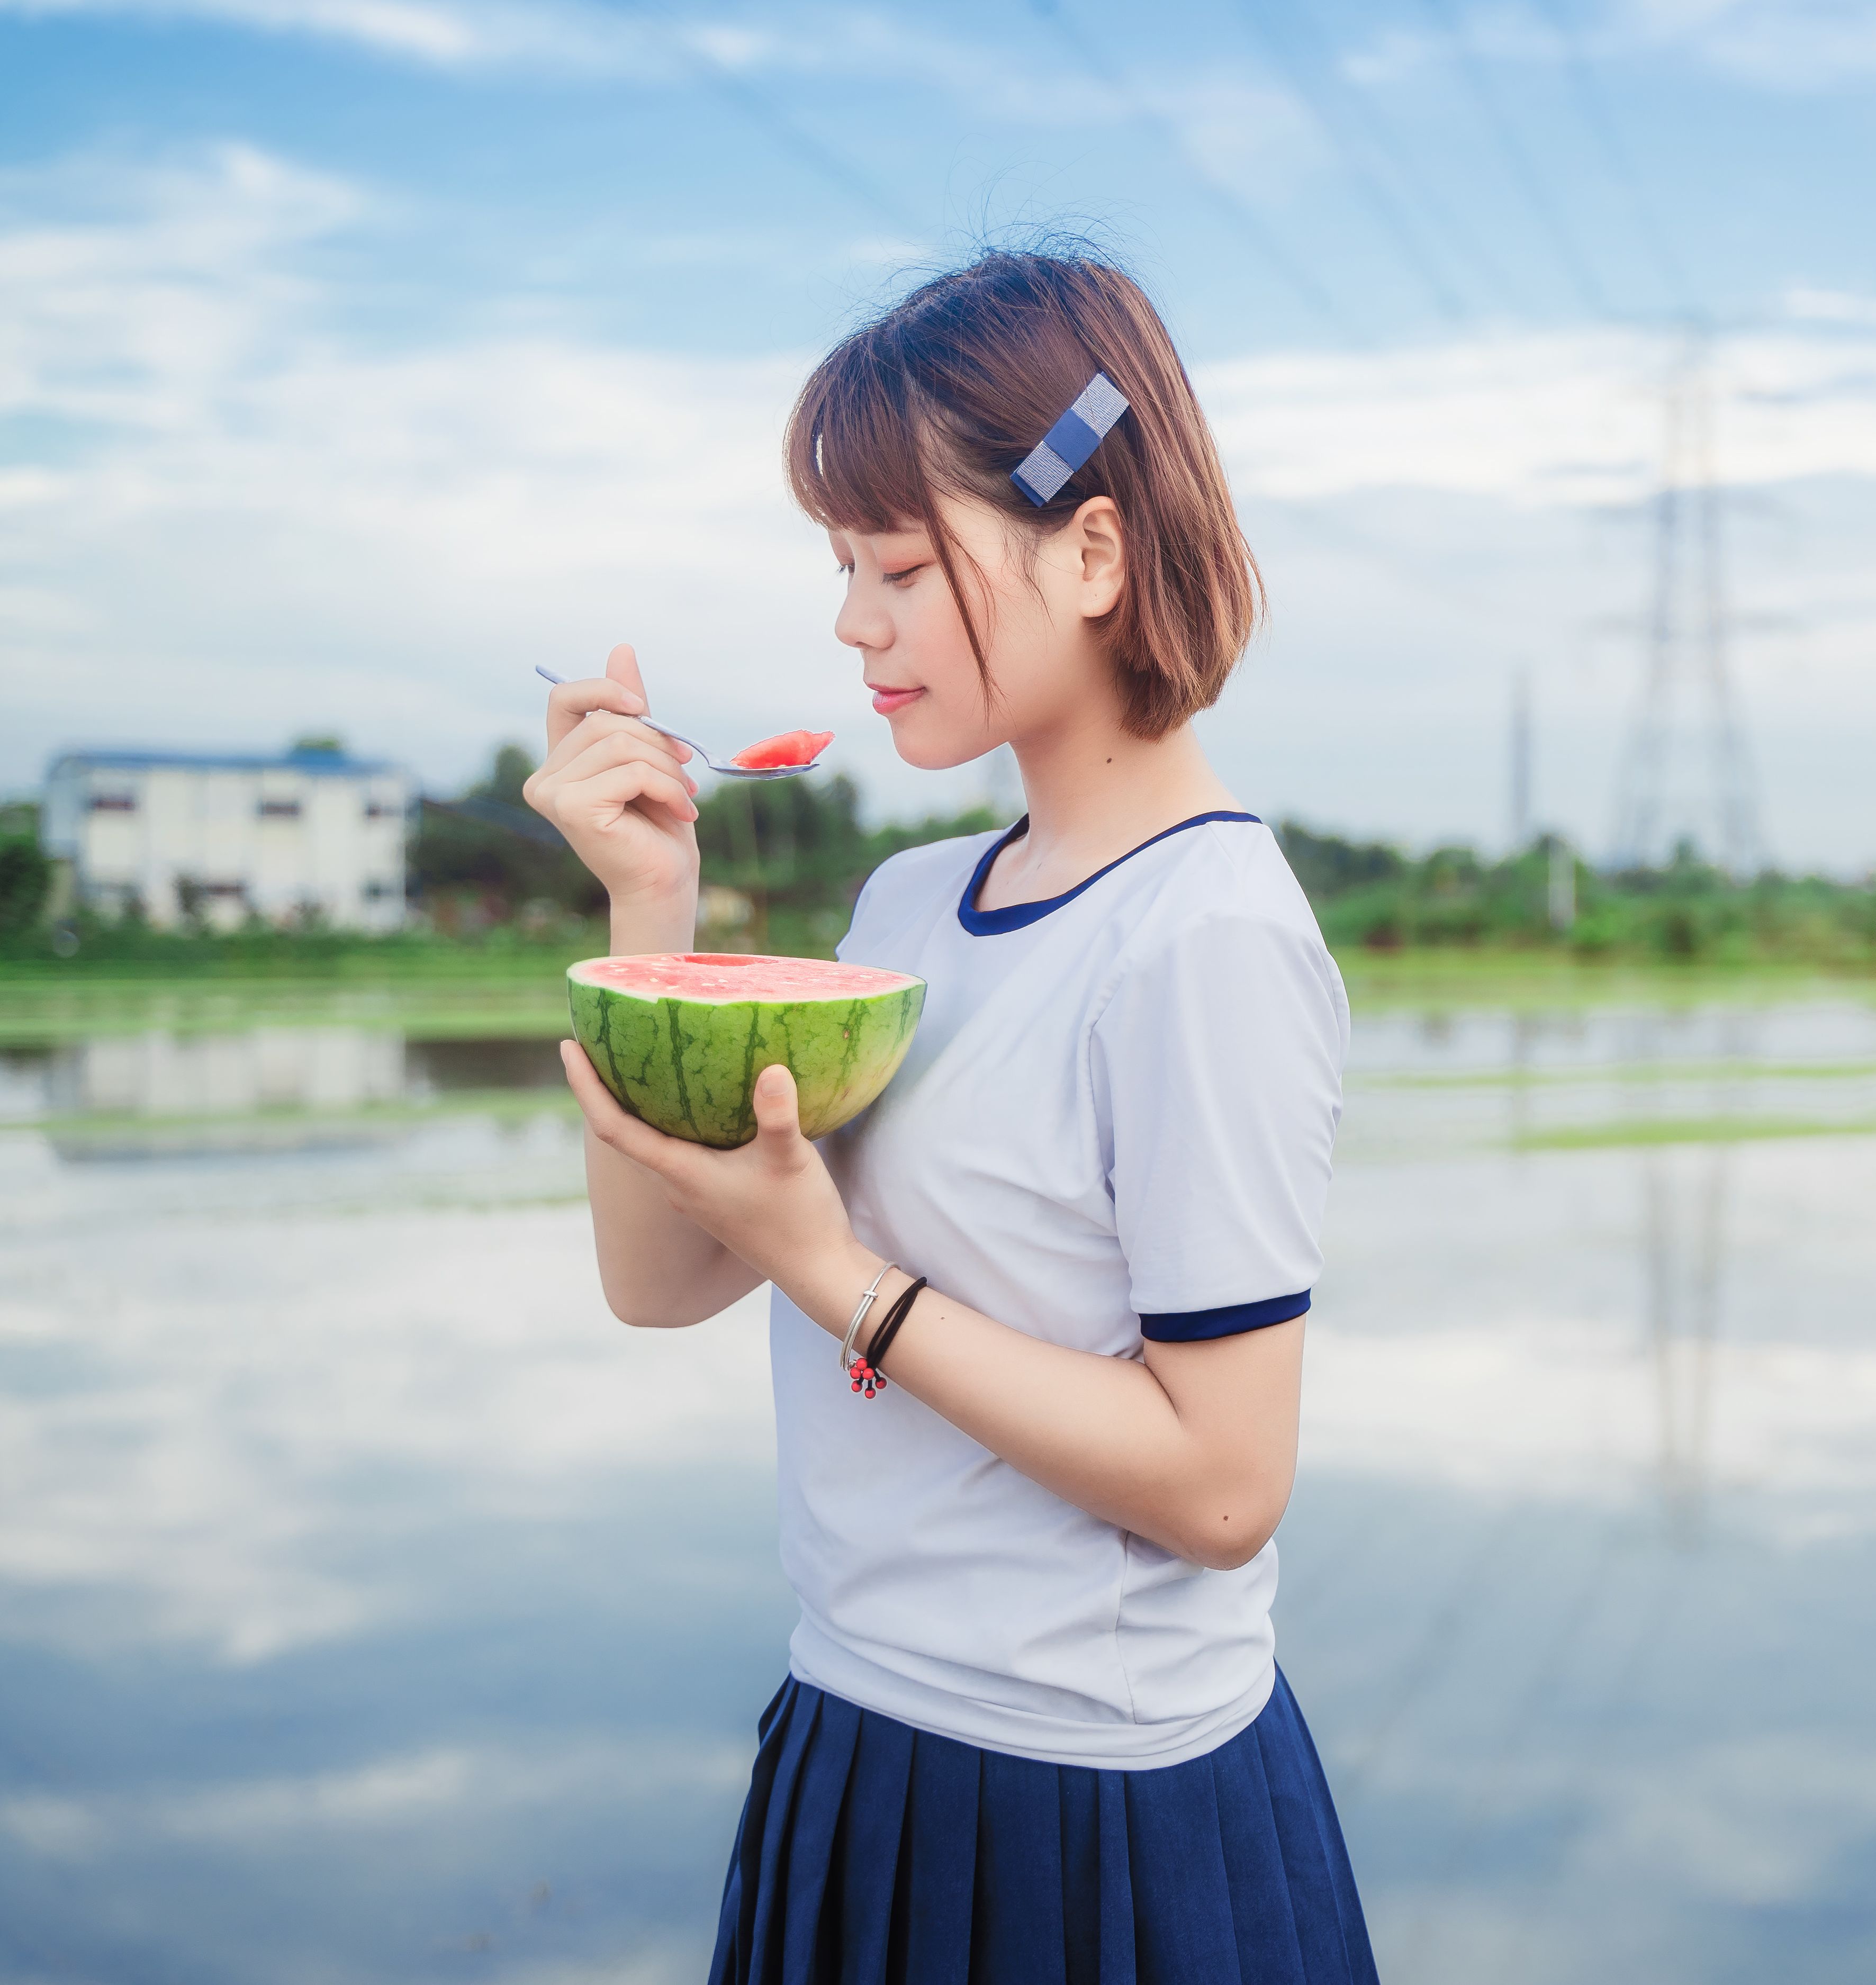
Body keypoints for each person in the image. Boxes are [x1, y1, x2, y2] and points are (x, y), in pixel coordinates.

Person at [522, 247, 1376, 1984]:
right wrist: (648, 918)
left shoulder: (1203, 932)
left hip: (1097, 1811)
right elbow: (663, 1283)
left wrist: (838, 1278)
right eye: (843, 567)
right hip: (856, 1737)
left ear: (1094, 548)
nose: (854, 623)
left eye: (899, 565)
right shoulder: (911, 912)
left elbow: (1225, 1486)